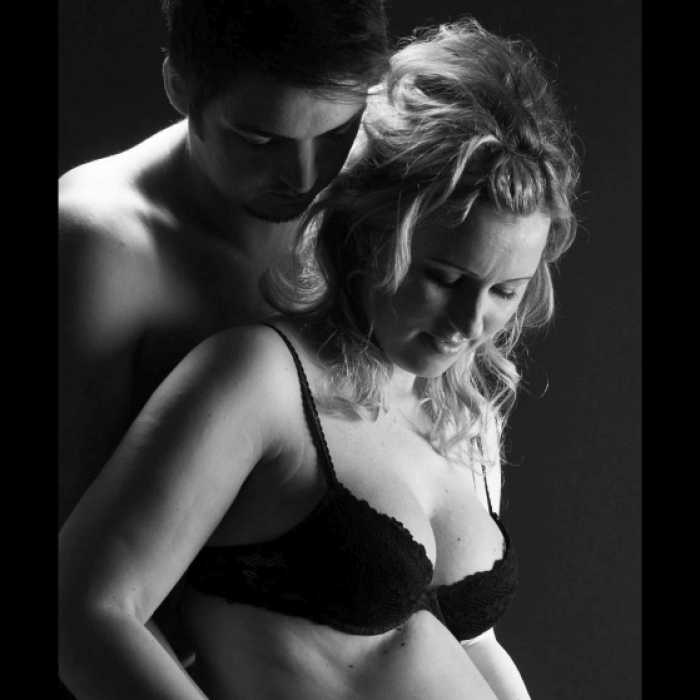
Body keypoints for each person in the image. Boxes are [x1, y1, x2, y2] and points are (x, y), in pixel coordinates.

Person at [59, 18, 579, 700]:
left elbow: (474, 644)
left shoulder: (466, 413)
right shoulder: (257, 377)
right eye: (444, 278)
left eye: (506, 291)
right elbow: (85, 613)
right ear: (374, 233)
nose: (470, 324)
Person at [58, 0, 388, 674]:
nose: (304, 177)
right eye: (260, 139)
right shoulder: (103, 245)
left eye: (336, 131)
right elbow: (73, 569)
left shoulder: (369, 180)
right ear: (180, 86)